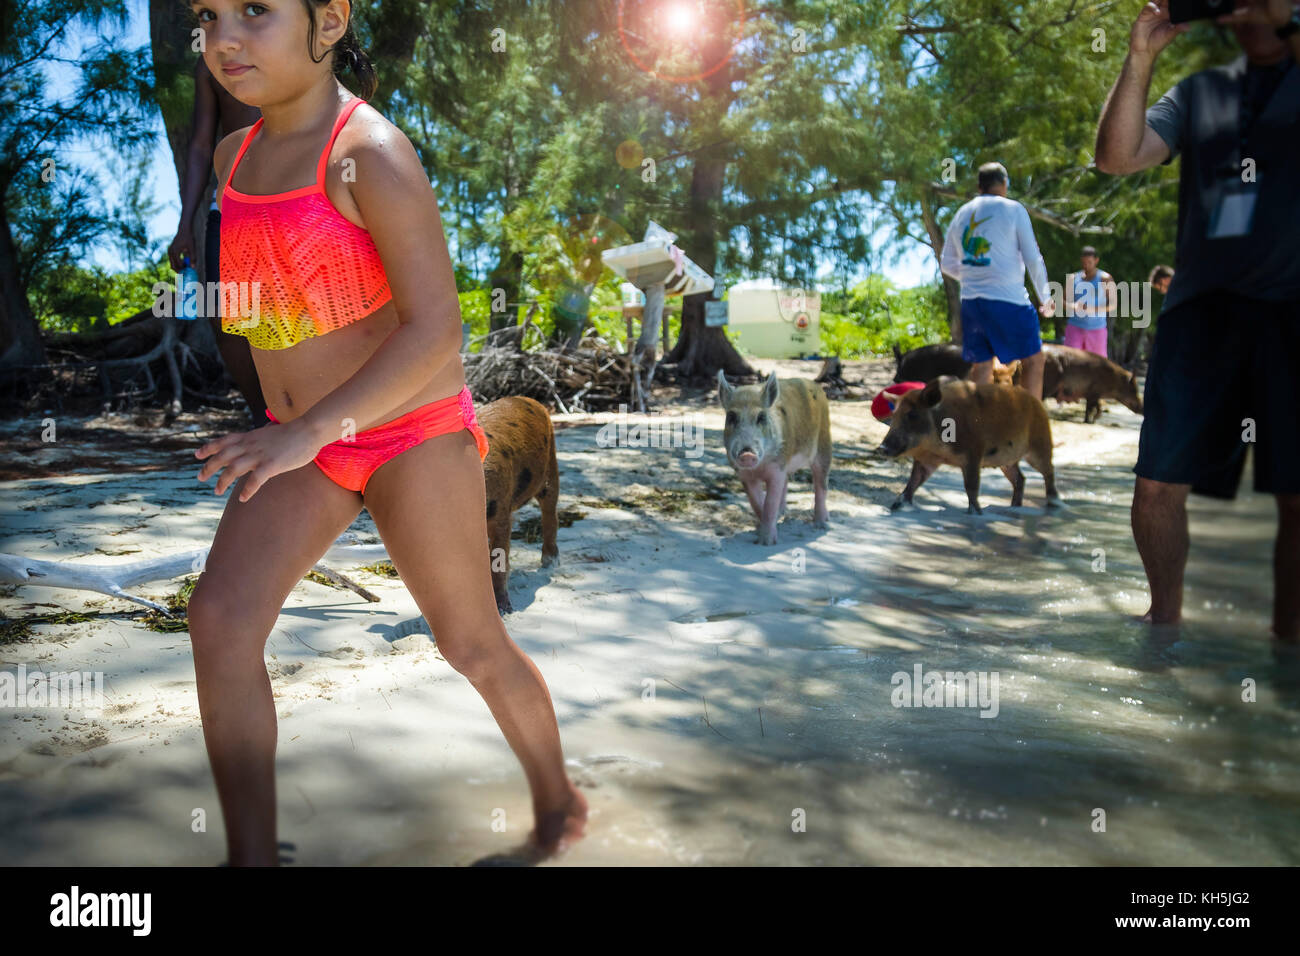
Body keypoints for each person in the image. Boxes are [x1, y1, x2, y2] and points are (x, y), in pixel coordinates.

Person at [187, 0, 586, 864]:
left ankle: (557, 798)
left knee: (470, 643)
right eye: (209, 14)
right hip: (304, 438)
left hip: (412, 433)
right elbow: (275, 299)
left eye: (256, 10)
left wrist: (311, 427)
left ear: (328, 23)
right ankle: (251, 855)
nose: (225, 35)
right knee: (219, 621)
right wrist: (282, 415)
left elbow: (437, 330)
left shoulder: (370, 154)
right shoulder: (232, 156)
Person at [1095, 0, 1300, 639]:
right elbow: (1116, 156)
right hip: (1199, 318)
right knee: (1158, 484)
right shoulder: (1201, 93)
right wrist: (1138, 58)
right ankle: (1164, 627)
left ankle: (1289, 641)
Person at [168, 55, 267, 424]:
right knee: (227, 319)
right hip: (230, 207)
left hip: (296, 199)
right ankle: (263, 422)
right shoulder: (211, 64)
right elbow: (199, 147)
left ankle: (309, 425)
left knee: (294, 316)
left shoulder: (291, 41)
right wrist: (184, 223)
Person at [940, 162, 1056, 400]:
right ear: (1004, 184)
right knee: (1034, 361)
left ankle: (979, 426)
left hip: (972, 303)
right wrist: (1046, 298)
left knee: (981, 366)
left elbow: (947, 264)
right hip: (1008, 300)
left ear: (978, 186)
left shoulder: (962, 212)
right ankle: (1030, 426)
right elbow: (1033, 258)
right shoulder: (1013, 209)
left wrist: (977, 277)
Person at [1064, 246, 1117, 357]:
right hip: (1075, 327)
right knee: (1070, 362)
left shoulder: (1105, 278)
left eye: (1089, 262)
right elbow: (1063, 302)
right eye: (1084, 262)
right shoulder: (1073, 278)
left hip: (1097, 329)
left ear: (1096, 260)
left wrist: (1093, 309)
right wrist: (1073, 306)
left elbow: (1113, 305)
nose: (1086, 265)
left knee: (1097, 365)